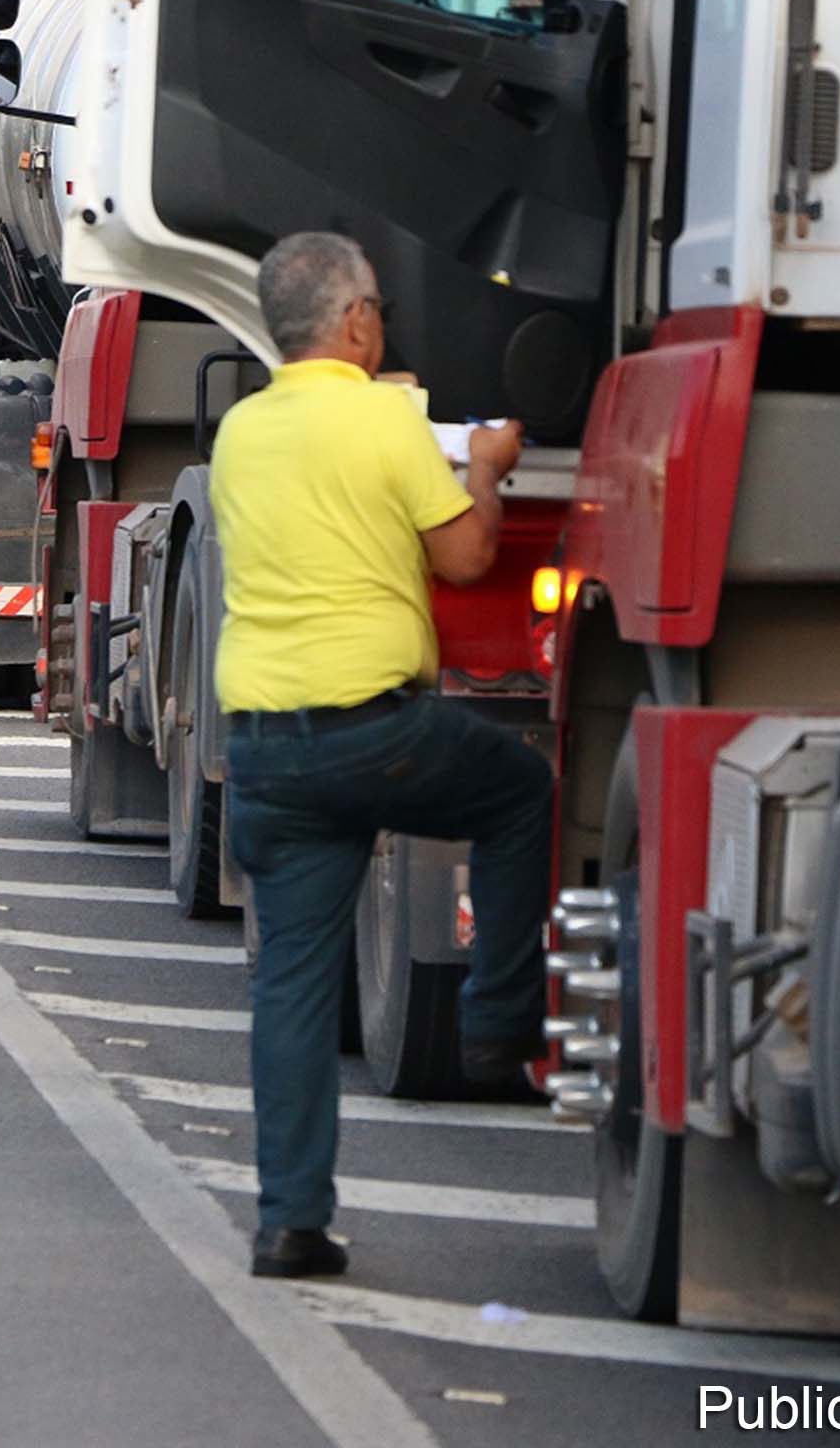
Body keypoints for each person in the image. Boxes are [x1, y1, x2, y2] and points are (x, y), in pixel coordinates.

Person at [210, 231, 548, 1280]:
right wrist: (485, 469)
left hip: (266, 749)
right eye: (380, 312)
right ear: (356, 321)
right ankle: (498, 1023)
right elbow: (468, 556)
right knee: (518, 792)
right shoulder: (386, 419)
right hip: (378, 734)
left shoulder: (241, 432)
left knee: (292, 990)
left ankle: (290, 1224)